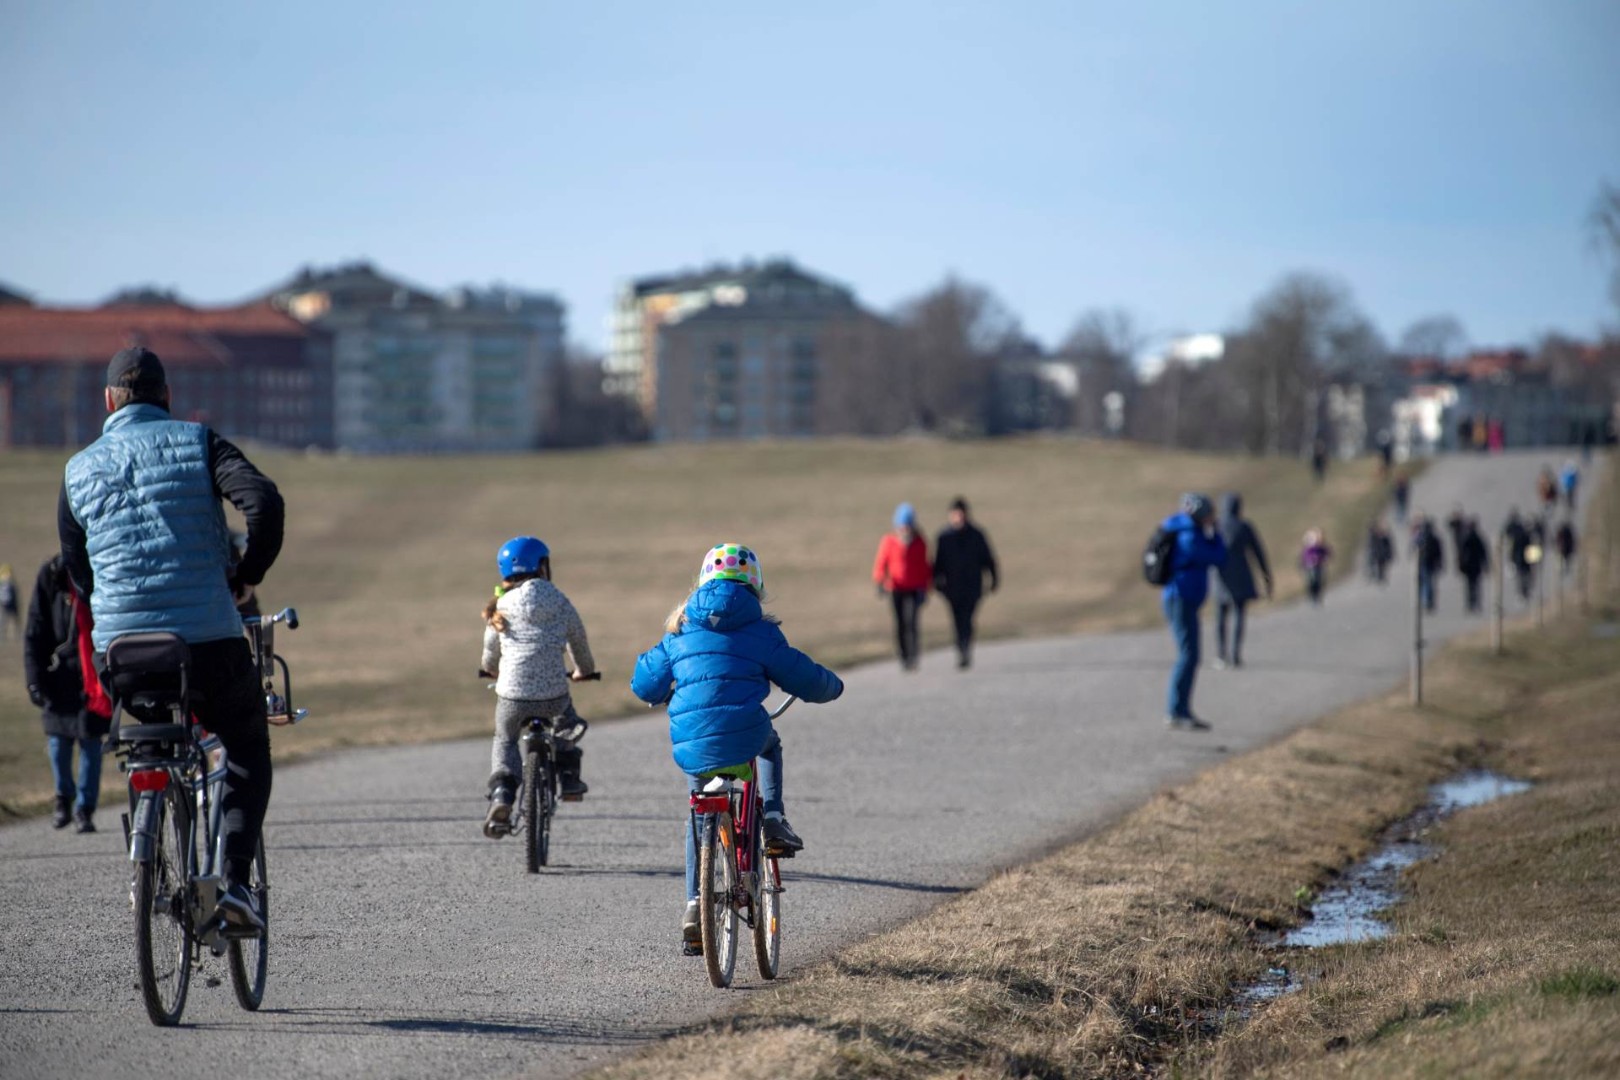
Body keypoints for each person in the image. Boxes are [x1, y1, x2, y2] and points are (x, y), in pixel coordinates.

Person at [58, 346, 283, 931]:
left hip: (124, 653)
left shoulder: (77, 470)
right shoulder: (197, 441)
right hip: (208, 641)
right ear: (167, 397)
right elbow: (262, 501)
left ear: (108, 402)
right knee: (245, 744)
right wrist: (246, 575)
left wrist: (112, 602)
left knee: (148, 742)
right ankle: (234, 882)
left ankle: (148, 860)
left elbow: (76, 569)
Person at [631, 543, 844, 950]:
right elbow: (805, 677)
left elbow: (644, 683)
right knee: (769, 745)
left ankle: (695, 903)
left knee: (698, 813)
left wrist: (659, 689)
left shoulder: (680, 629)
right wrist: (833, 686)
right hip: (746, 731)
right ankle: (775, 818)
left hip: (693, 744)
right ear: (755, 585)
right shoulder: (762, 631)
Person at [479, 536, 597, 837]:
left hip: (511, 695)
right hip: (553, 694)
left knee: (505, 739)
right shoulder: (558, 600)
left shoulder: (502, 604)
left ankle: (503, 794)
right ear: (542, 566)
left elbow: (491, 646)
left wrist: (490, 669)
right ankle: (569, 779)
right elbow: (578, 641)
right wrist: (584, 671)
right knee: (565, 724)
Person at [24, 555, 112, 832]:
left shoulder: (100, 568)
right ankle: (64, 798)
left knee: (91, 744)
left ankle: (84, 809)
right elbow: (35, 632)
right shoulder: (50, 576)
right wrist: (34, 680)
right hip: (59, 675)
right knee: (58, 744)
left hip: (93, 677)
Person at [1158, 493, 1226, 731]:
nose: (1212, 518)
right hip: (1180, 599)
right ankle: (1177, 711)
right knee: (1189, 655)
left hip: (1184, 599)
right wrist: (1216, 534)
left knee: (1189, 654)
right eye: (1209, 513)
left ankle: (1179, 709)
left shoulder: (1187, 531)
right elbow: (1218, 556)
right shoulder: (1189, 536)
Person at [931, 497, 998, 670]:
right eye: (955, 514)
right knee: (956, 619)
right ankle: (961, 648)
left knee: (968, 618)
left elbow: (988, 559)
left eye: (961, 514)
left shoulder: (976, 535)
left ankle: (966, 648)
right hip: (952, 587)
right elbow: (938, 563)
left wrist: (993, 579)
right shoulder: (944, 537)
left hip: (972, 586)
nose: (958, 517)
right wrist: (936, 581)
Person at [1213, 492, 1272, 670]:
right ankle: (1235, 654)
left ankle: (1221, 654)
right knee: (1239, 614)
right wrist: (1266, 576)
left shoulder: (1216, 526)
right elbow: (1258, 552)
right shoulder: (1244, 526)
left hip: (1220, 577)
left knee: (1221, 617)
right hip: (1241, 576)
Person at [872, 503, 931, 671]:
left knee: (912, 622)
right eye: (902, 526)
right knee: (900, 624)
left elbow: (924, 567)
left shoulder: (919, 542)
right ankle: (904, 656)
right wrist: (879, 582)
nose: (905, 530)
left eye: (908, 525)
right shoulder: (889, 541)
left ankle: (913, 655)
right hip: (896, 589)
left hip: (914, 590)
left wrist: (925, 588)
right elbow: (881, 564)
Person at [1412, 515, 1444, 613]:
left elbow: (1413, 548)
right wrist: (1440, 563)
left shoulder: (1421, 537)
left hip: (1423, 563)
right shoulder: (1434, 538)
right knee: (1429, 582)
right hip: (1430, 563)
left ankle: (1426, 600)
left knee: (1425, 583)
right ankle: (1429, 601)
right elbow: (1439, 553)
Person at [1457, 517, 1489, 614]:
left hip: (1470, 566)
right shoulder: (1476, 538)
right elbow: (1483, 553)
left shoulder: (1467, 537)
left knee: (1470, 586)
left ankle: (1471, 604)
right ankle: (1474, 603)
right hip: (1474, 566)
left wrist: (1460, 565)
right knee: (1475, 586)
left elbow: (1461, 554)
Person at [1504, 509, 1534, 602]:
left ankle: (1523, 592)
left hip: (1521, 560)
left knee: (1523, 577)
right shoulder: (1526, 536)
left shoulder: (1524, 537)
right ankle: (1523, 592)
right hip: (1523, 560)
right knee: (1523, 577)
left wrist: (1512, 559)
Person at [1300, 529, 1333, 605]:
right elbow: (1304, 557)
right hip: (1311, 567)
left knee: (1320, 581)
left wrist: (1325, 559)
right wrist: (1310, 562)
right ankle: (1313, 596)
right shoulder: (1308, 549)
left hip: (1319, 566)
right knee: (1312, 581)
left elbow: (1328, 554)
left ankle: (1318, 596)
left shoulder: (1321, 548)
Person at [1366, 519, 1395, 584]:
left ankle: (1381, 576)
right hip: (1378, 553)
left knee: (1383, 565)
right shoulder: (1375, 534)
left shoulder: (1385, 536)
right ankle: (1379, 576)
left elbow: (1389, 545)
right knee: (1379, 565)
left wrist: (1390, 553)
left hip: (1383, 553)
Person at [0, 564, 19, 642]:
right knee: (4, 620)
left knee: (14, 619)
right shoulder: (3, 584)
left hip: (10, 604)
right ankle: (2, 635)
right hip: (5, 604)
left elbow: (14, 595)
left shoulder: (11, 585)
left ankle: (17, 634)